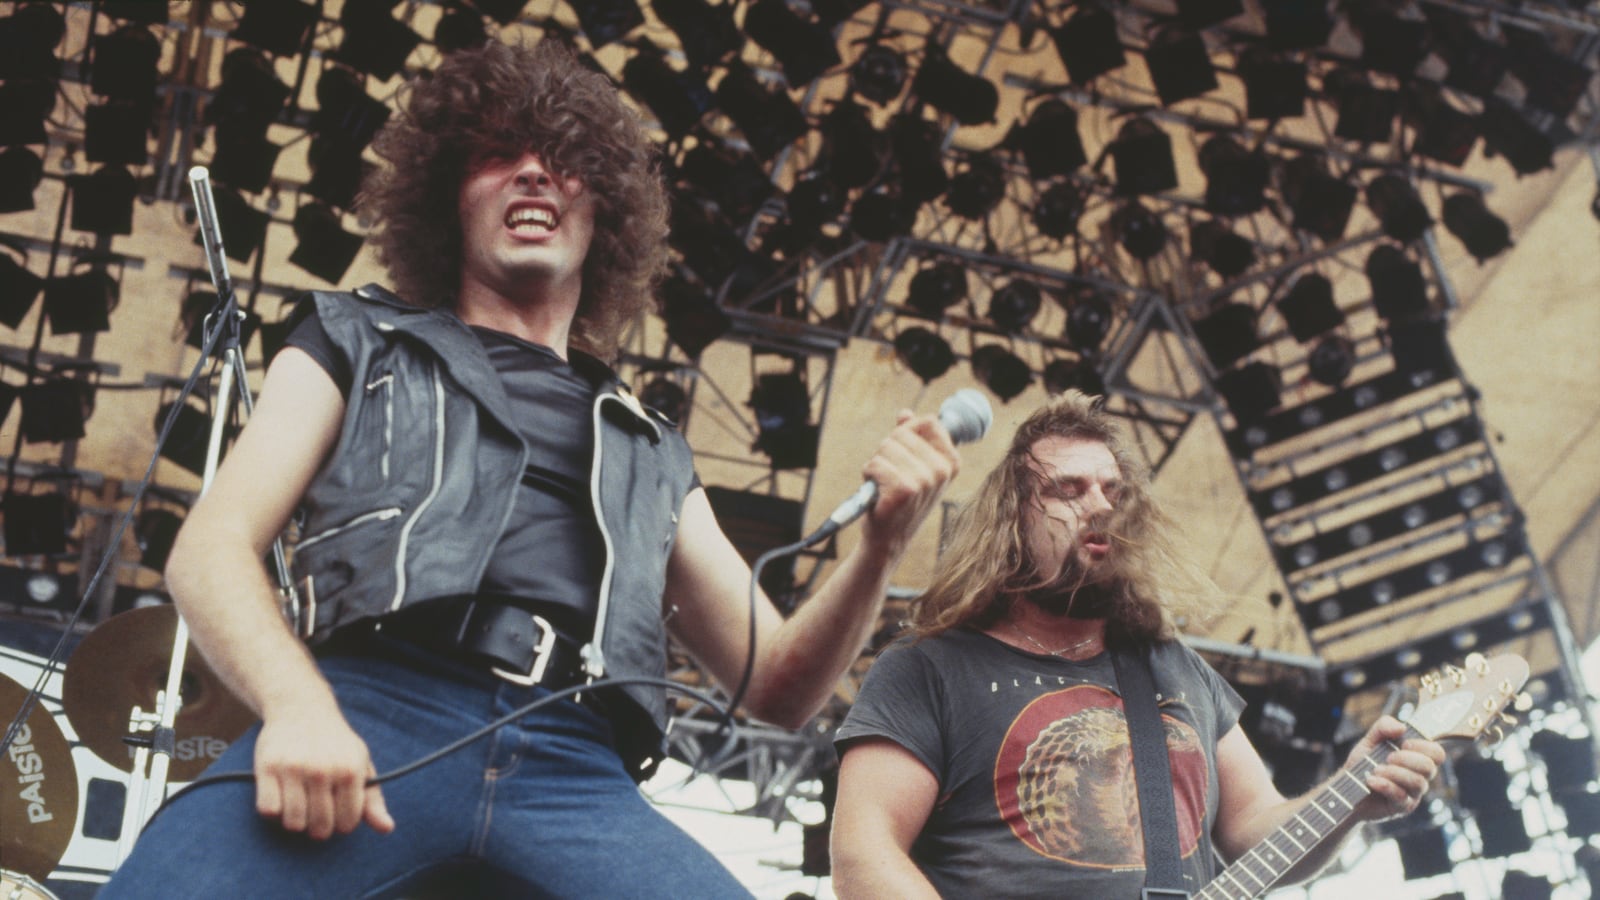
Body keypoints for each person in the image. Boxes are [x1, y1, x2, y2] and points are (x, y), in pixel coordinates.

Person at [102, 38, 957, 898]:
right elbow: (208, 551)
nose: (534, 175)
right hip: (376, 707)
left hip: (576, 761)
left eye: (565, 161)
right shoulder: (351, 336)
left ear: (606, 214)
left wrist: (878, 552)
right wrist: (297, 705)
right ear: (449, 203)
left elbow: (776, 686)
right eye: (497, 156)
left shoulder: (654, 446)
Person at [830, 391, 1444, 898]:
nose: (1100, 506)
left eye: (1114, 492)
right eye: (1068, 491)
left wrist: (1351, 796)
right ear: (1011, 520)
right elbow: (863, 854)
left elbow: (1256, 832)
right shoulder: (929, 669)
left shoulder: (1179, 671)